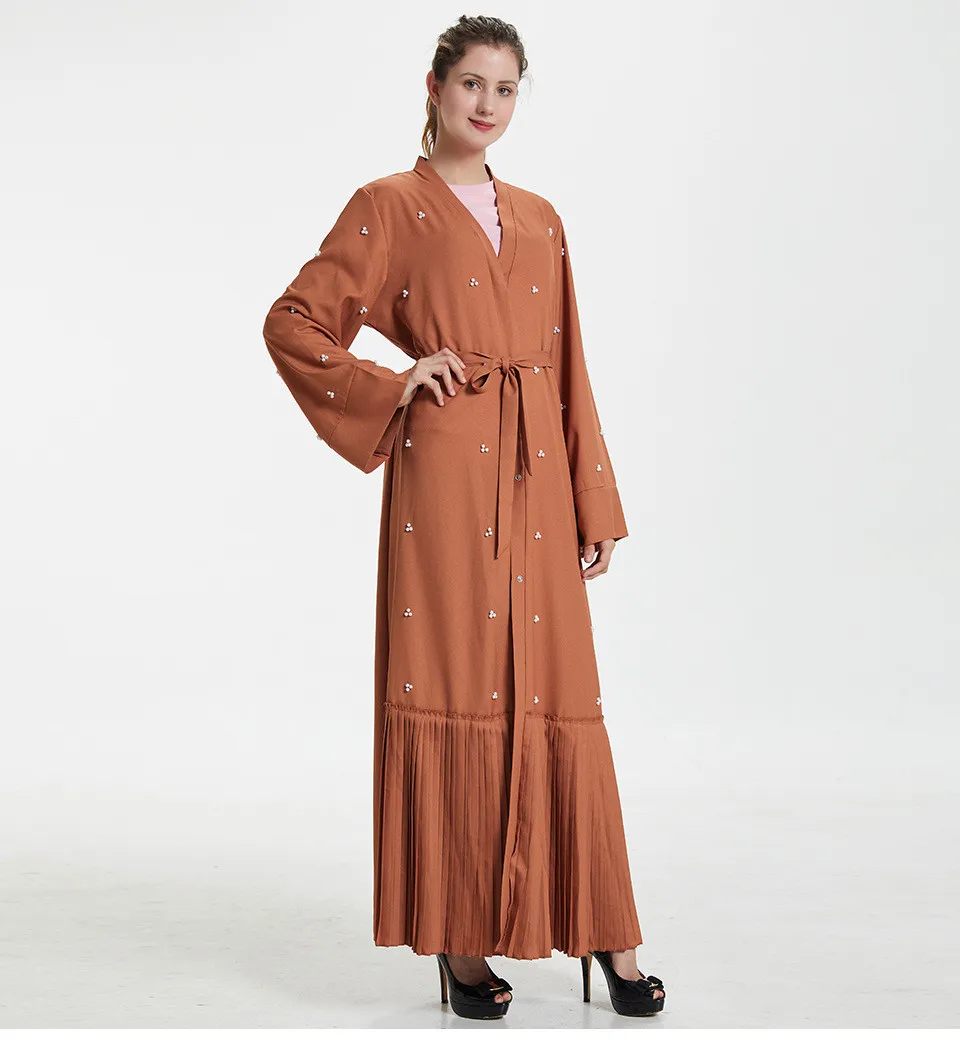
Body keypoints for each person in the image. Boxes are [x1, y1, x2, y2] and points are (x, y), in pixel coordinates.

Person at [262, 14, 665, 1020]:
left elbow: (568, 365)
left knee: (562, 692)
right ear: (435, 87)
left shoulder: (541, 217)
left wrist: (592, 496)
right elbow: (294, 320)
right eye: (472, 83)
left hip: (538, 478)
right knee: (455, 684)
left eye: (506, 88)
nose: (487, 104)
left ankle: (606, 929)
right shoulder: (388, 205)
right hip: (444, 477)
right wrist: (394, 381)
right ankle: (460, 942)